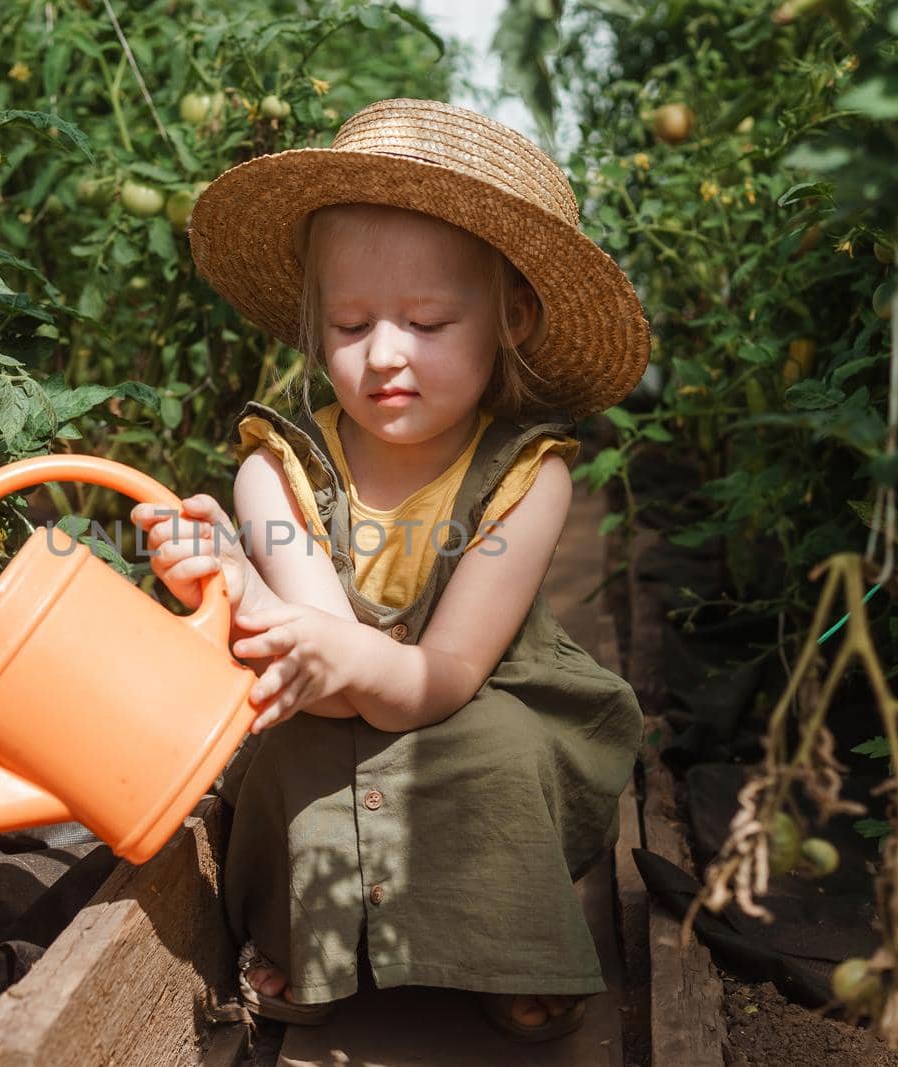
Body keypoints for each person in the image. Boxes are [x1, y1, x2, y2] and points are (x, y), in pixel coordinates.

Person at [130, 98, 649, 1043]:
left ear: (512, 319)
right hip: (337, 706)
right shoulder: (275, 471)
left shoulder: (529, 480)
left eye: (427, 320)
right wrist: (240, 590)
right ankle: (312, 932)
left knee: (497, 751)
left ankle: (507, 939)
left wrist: (324, 646)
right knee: (296, 751)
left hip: (468, 692)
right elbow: (326, 682)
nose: (384, 355)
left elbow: (438, 680)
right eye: (351, 323)